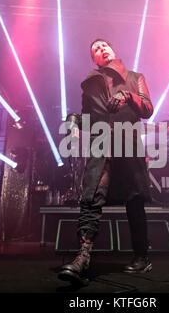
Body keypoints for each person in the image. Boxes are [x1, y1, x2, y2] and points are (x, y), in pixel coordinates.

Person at [58, 39, 154, 285]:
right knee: (92, 195)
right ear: (95, 60)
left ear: (112, 50)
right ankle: (82, 259)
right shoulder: (90, 86)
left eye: (104, 46)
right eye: (95, 50)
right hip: (102, 143)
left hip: (128, 143)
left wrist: (128, 96)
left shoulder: (135, 77)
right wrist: (73, 120)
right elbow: (88, 118)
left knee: (134, 201)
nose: (101, 49)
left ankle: (142, 257)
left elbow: (147, 110)